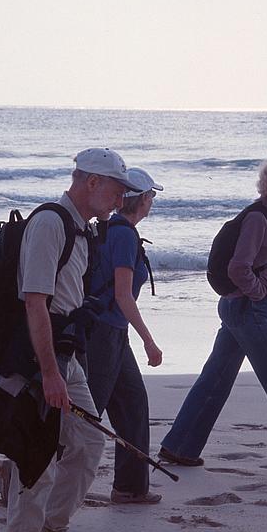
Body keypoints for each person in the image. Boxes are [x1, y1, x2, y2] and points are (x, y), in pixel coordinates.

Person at [0, 148, 142, 532]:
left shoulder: (82, 228)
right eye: (117, 190)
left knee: (88, 443)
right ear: (91, 182)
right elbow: (35, 302)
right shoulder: (50, 223)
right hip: (39, 358)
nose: (121, 200)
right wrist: (50, 373)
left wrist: (67, 364)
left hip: (66, 354)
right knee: (37, 457)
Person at [159, 156, 267, 473]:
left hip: (236, 308)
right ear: (265, 182)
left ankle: (179, 448)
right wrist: (258, 295)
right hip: (246, 310)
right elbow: (238, 268)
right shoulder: (257, 218)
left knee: (215, 379)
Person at [86, 167, 164, 504]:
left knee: (132, 405)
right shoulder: (123, 235)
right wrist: (149, 339)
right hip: (103, 335)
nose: (152, 202)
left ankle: (130, 487)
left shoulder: (113, 229)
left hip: (112, 333)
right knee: (85, 418)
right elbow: (122, 295)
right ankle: (23, 477)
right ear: (144, 199)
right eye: (152, 197)